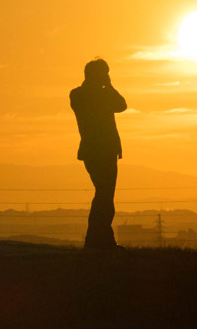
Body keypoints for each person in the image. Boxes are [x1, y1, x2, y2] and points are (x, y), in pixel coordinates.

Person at [70, 58, 127, 249]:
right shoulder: (81, 94)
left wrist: (108, 86)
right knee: (104, 195)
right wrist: (108, 86)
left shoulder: (85, 94)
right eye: (105, 73)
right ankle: (96, 240)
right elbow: (120, 105)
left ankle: (101, 240)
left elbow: (121, 105)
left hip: (102, 150)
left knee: (104, 195)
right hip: (99, 150)